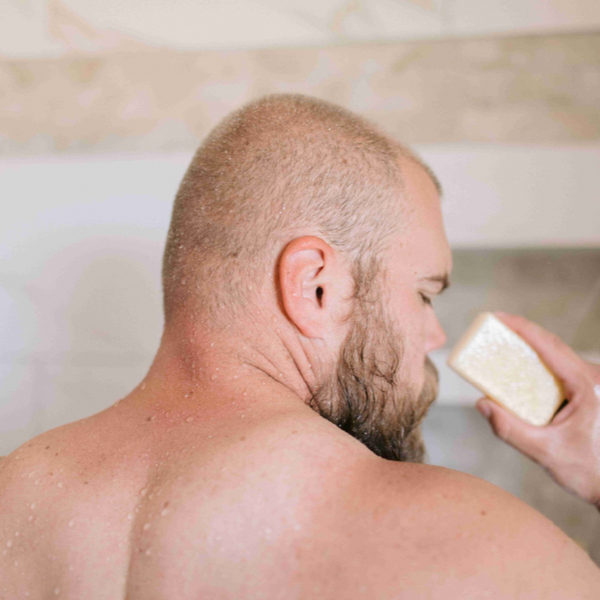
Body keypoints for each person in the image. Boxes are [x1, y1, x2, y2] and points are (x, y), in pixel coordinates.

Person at [1, 93, 599, 599]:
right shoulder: (475, 545)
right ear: (314, 285)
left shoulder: (14, 496)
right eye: (423, 295)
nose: (434, 336)